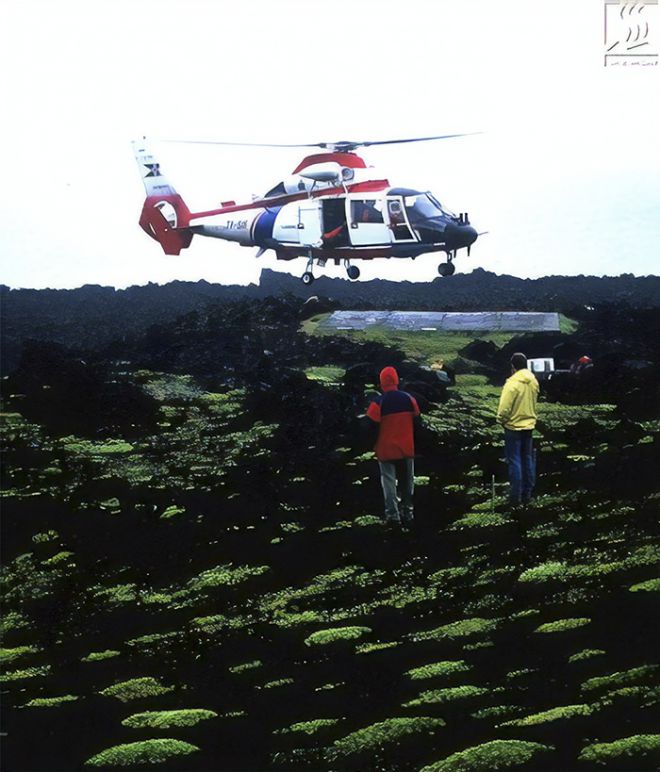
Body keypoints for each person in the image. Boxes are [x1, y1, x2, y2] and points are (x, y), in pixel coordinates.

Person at [366, 366, 420, 527]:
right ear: (396, 380)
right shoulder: (409, 399)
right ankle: (408, 513)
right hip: (406, 448)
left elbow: (369, 427)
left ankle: (393, 516)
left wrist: (371, 445)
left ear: (381, 383)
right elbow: (418, 421)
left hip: (386, 449)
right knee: (408, 481)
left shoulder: (378, 403)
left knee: (389, 482)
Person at [496, 353, 539, 507]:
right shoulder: (533, 381)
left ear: (513, 366)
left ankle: (515, 497)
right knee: (527, 459)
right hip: (529, 426)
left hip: (513, 427)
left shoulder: (512, 383)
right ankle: (527, 494)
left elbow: (504, 407)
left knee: (514, 461)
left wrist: (501, 420)